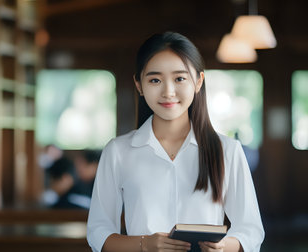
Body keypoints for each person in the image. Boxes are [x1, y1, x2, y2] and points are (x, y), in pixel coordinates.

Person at [87, 32, 264, 252]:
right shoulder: (118, 151)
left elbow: (251, 230)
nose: (168, 92)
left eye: (180, 78)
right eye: (155, 80)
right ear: (139, 85)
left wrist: (223, 246)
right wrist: (145, 244)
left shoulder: (227, 150)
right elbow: (98, 232)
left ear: (198, 81)